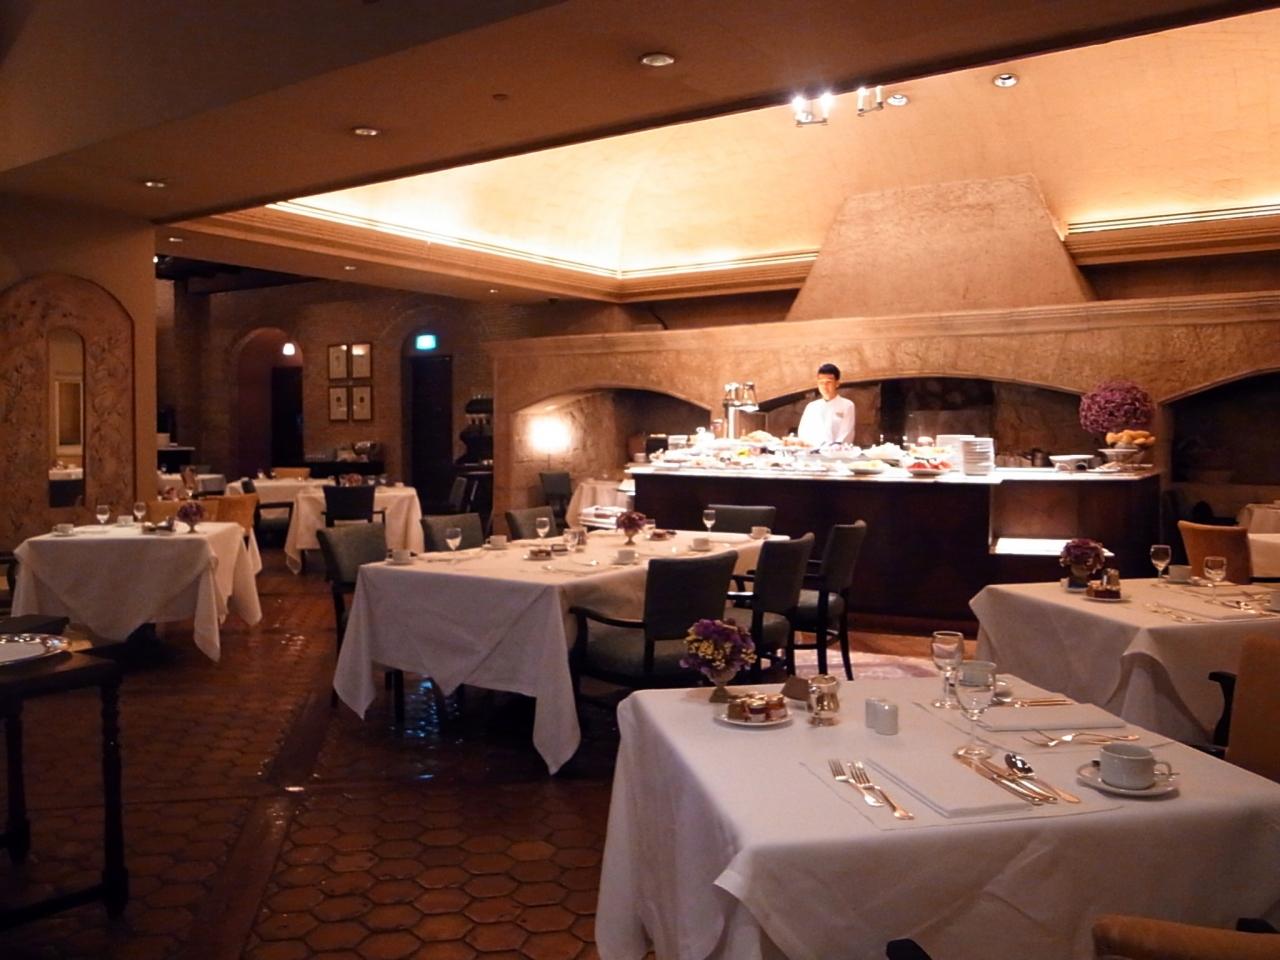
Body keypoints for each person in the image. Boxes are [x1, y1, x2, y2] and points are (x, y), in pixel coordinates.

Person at [796, 363, 855, 445]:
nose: (824, 386)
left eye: (828, 382)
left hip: (838, 451)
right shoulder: (811, 407)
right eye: (821, 383)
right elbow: (803, 433)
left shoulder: (847, 405)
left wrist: (834, 446)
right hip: (813, 450)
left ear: (837, 383)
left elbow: (846, 433)